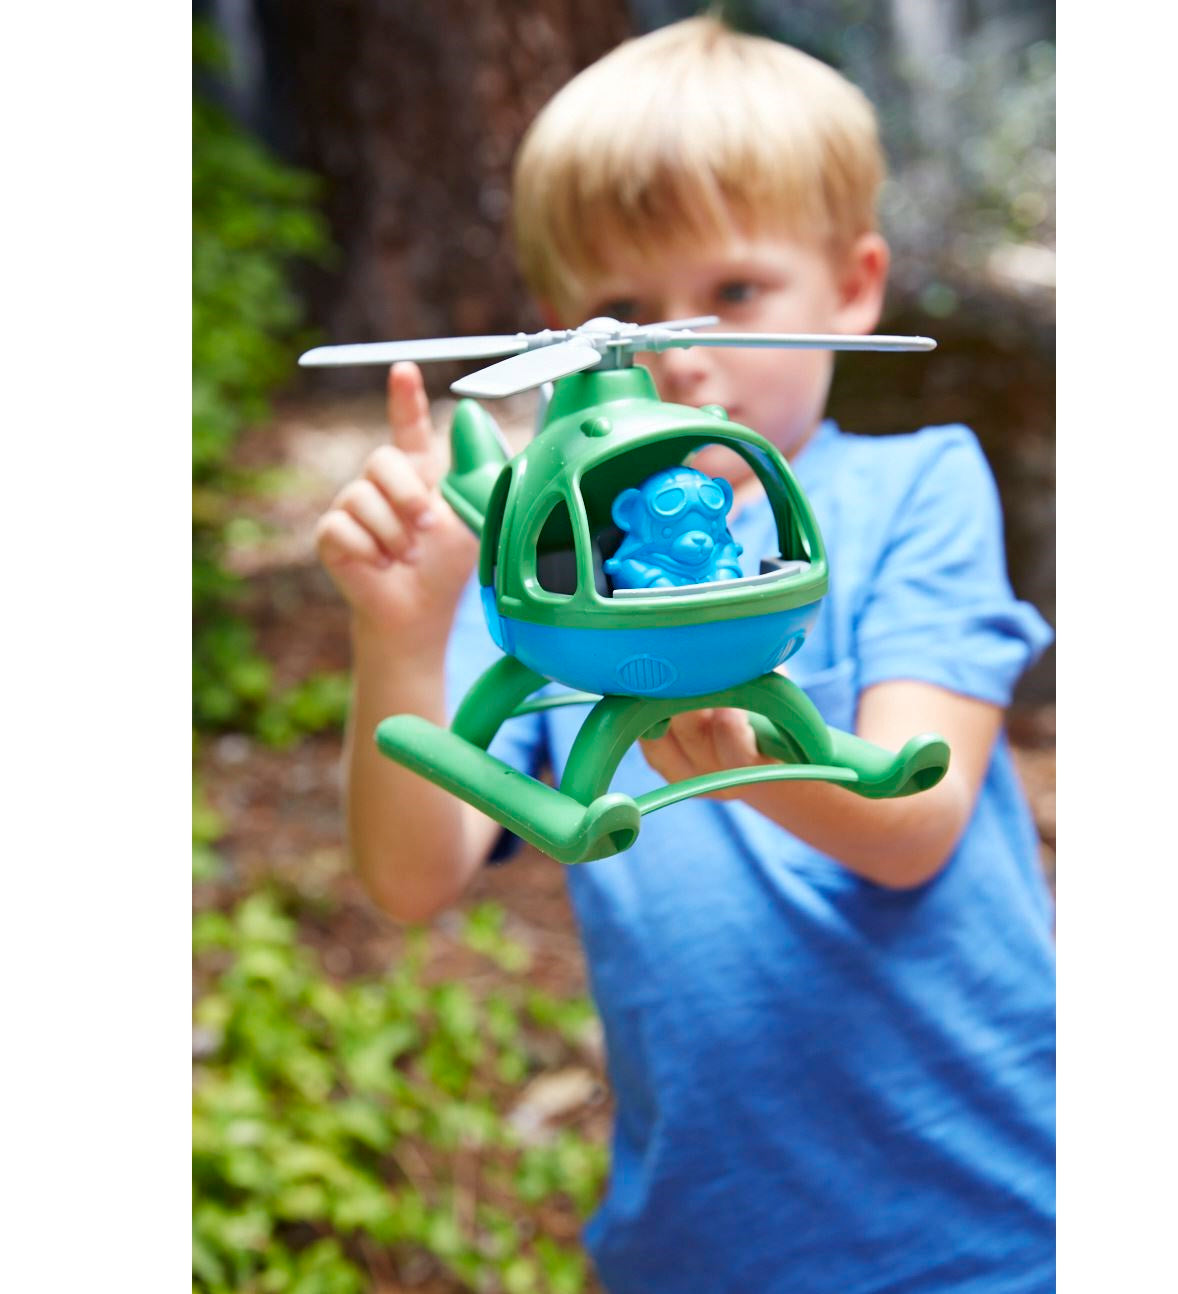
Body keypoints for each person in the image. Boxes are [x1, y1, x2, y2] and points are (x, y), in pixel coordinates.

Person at [315, 16, 1055, 1294]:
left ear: (855, 287)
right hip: (703, 1245)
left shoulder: (920, 489)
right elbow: (409, 877)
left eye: (737, 292)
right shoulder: (558, 571)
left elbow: (916, 817)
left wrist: (745, 759)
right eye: (620, 312)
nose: (681, 351)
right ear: (563, 338)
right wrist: (404, 629)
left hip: (982, 1216)